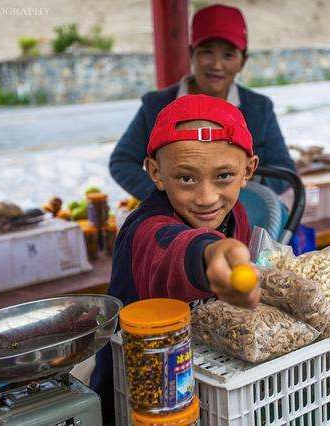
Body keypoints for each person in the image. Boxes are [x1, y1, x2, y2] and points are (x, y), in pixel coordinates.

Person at [91, 94, 261, 420]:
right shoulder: (145, 229)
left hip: (204, 385)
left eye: (224, 176)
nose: (206, 198)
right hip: (137, 397)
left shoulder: (236, 214)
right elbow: (172, 251)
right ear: (155, 173)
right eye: (186, 178)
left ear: (247, 170)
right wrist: (211, 254)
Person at [109, 4, 295, 200]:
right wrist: (169, 199)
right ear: (191, 54)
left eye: (228, 54)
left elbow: (284, 171)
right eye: (207, 52)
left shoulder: (259, 108)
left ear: (243, 61)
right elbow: (122, 162)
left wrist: (234, 197)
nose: (216, 65)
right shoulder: (156, 105)